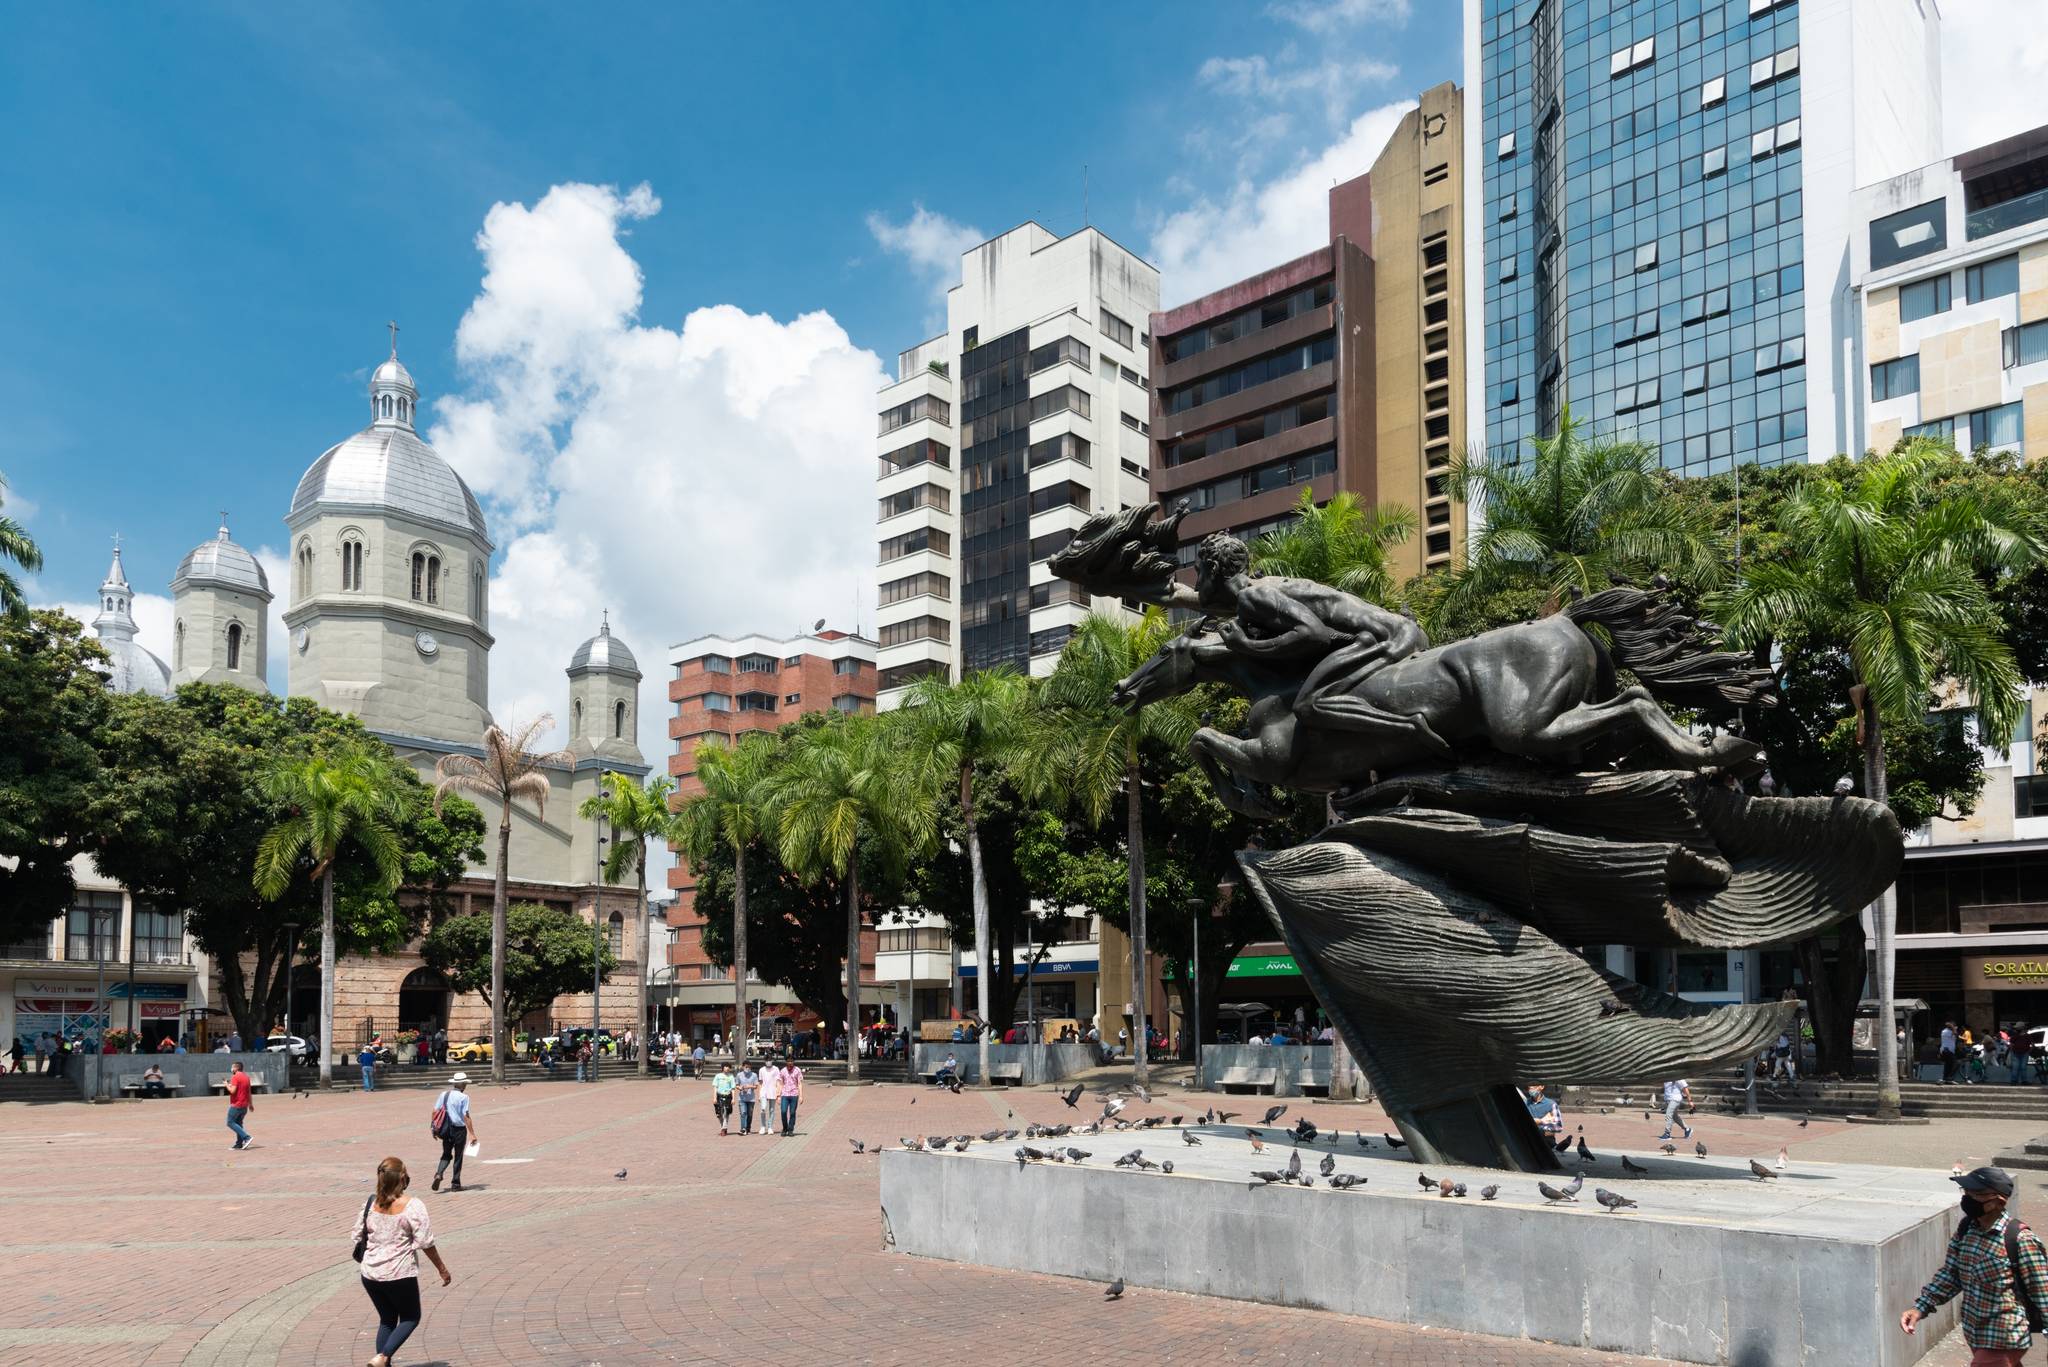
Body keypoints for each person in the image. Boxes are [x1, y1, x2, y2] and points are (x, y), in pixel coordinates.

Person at [1902, 1165, 2048, 1365]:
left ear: (1999, 1201)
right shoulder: (1966, 1230)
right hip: (1975, 1333)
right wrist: (1921, 1307)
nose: (1968, 1198)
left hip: (2004, 1336)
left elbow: (2043, 1291)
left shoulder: (2020, 1239)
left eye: (1977, 1193)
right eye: (1966, 1191)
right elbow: (1951, 1275)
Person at [355, 1156, 452, 1367]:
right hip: (399, 1274)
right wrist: (442, 1269)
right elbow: (426, 1242)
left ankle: (382, 1362)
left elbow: (356, 1235)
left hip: (370, 1274)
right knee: (410, 1317)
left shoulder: (370, 1203)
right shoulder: (412, 1205)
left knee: (387, 1319)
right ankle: (383, 1357)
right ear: (402, 1178)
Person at [430, 1073, 477, 1193]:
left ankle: (439, 1173)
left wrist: (433, 1128)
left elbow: (435, 1111)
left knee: (446, 1154)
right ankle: (455, 1184)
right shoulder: (464, 1097)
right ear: (463, 1085)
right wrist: (472, 1133)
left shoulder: (444, 1094)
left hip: (445, 1129)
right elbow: (466, 1116)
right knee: (458, 1156)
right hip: (459, 1130)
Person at [225, 1059, 254, 1149]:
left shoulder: (235, 1077)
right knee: (238, 1123)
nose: (231, 1069)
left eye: (232, 1067)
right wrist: (250, 1104)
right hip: (244, 1105)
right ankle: (239, 1143)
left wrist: (226, 1084)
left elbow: (232, 1091)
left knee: (230, 1122)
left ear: (236, 1068)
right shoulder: (246, 1077)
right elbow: (249, 1092)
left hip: (236, 1104)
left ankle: (246, 1137)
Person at [735, 1060, 760, 1135]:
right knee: (743, 1113)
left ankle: (748, 1128)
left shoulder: (754, 1075)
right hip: (742, 1098)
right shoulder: (739, 1075)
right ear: (743, 1067)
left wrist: (749, 1086)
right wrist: (740, 1088)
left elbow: (756, 1086)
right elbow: (737, 1085)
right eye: (746, 1067)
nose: (747, 1068)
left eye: (749, 1067)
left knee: (750, 1114)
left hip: (751, 1098)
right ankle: (743, 1129)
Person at [758, 1060, 782, 1138]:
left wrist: (778, 1093)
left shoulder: (776, 1069)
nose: (768, 1061)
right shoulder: (761, 1069)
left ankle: (770, 1127)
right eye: (767, 1060)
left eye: (770, 1060)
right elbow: (760, 1082)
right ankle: (762, 1126)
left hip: (772, 1091)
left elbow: (778, 1081)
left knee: (772, 1110)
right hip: (764, 1091)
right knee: (763, 1109)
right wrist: (759, 1094)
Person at [780, 1060, 803, 1137]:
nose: (790, 1063)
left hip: (794, 1094)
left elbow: (799, 1083)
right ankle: (785, 1128)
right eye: (788, 1061)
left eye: (791, 1061)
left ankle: (790, 1129)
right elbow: (780, 1083)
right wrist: (778, 1095)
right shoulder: (783, 1071)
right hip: (784, 1094)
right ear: (786, 1062)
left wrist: (801, 1096)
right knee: (783, 1111)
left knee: (792, 1112)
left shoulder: (797, 1070)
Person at [712, 1062, 736, 1135]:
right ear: (722, 1068)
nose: (727, 1068)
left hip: (728, 1096)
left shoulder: (731, 1076)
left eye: (728, 1067)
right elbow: (715, 1087)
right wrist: (714, 1098)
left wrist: (733, 1099)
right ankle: (723, 1126)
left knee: (726, 1113)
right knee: (719, 1114)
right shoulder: (718, 1076)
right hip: (719, 1096)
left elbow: (733, 1088)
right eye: (725, 1066)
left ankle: (723, 1129)